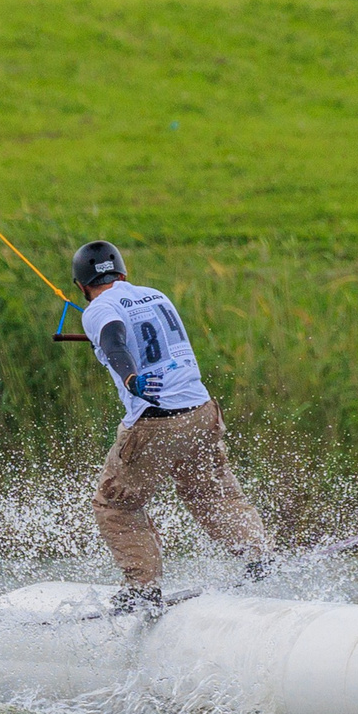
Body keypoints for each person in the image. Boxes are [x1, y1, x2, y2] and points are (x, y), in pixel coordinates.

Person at [72, 240, 271, 617]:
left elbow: (115, 340)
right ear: (123, 274)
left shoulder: (99, 309)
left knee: (116, 504)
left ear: (81, 287)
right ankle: (256, 553)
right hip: (201, 410)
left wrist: (130, 377)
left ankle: (142, 588)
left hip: (155, 422)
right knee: (209, 493)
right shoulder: (155, 295)